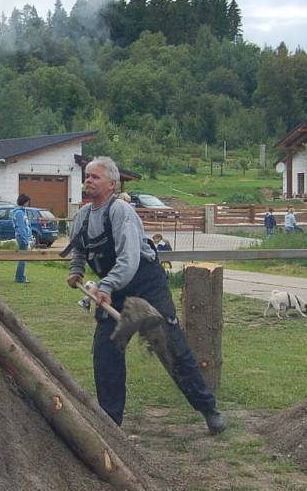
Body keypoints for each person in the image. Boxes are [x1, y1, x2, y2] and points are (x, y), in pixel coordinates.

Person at [66, 156, 226, 434]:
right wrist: (77, 269)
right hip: (113, 290)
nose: (88, 180)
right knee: (106, 354)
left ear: (112, 185)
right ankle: (110, 422)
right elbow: (79, 248)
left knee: (171, 348)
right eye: (87, 176)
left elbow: (128, 260)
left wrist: (105, 286)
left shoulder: (121, 213)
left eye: (95, 177)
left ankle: (208, 409)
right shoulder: (82, 217)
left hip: (145, 286)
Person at [12, 194, 32, 283]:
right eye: (27, 202)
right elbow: (21, 227)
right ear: (25, 202)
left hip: (23, 236)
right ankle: (20, 277)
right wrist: (25, 239)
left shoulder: (21, 212)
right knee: (22, 258)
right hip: (22, 237)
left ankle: (20, 276)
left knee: (23, 258)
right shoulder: (19, 213)